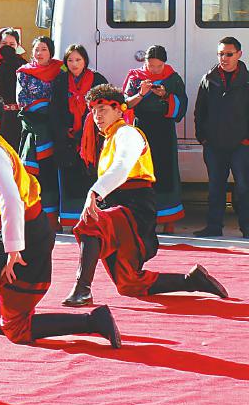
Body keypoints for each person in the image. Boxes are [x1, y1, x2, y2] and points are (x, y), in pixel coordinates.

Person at [0, 89, 121, 348]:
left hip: (27, 231)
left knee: (17, 330)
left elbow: (11, 200)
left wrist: (13, 249)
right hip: (6, 225)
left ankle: (93, 321)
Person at [62, 85, 228, 307]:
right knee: (129, 284)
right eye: (93, 111)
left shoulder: (128, 133)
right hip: (118, 208)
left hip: (135, 208)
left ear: (119, 110)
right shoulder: (109, 138)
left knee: (91, 223)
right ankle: (191, 281)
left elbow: (122, 167)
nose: (97, 116)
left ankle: (82, 289)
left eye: (102, 109)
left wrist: (94, 192)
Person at [124, 45, 187, 233]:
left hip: (164, 131)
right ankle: (142, 218)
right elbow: (125, 104)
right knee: (142, 174)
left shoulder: (173, 78)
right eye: (151, 66)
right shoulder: (135, 77)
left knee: (166, 172)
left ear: (164, 63)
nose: (155, 70)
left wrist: (166, 95)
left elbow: (182, 105)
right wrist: (141, 93)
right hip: (141, 131)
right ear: (145, 62)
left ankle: (168, 219)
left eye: (159, 66)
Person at [193, 36, 249, 238]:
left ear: (239, 54)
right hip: (214, 145)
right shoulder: (209, 79)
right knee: (215, 188)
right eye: (220, 54)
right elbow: (200, 111)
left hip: (241, 145)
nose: (224, 58)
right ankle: (214, 227)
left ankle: (247, 228)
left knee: (244, 188)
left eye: (228, 54)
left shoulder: (246, 80)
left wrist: (246, 140)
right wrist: (203, 138)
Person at [50, 45, 107, 228]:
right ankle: (69, 220)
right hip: (66, 139)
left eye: (78, 60)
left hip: (91, 138)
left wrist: (88, 130)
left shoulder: (97, 80)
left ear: (85, 61)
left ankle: (91, 220)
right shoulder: (60, 81)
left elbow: (105, 106)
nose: (74, 64)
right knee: (68, 179)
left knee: (90, 178)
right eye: (70, 60)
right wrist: (63, 129)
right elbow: (54, 109)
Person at [17, 36, 62, 227]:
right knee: (36, 174)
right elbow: (21, 99)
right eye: (36, 49)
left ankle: (52, 217)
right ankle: (35, 217)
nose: (39, 53)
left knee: (52, 174)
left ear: (51, 52)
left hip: (55, 127)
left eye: (44, 49)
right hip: (33, 126)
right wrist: (43, 106)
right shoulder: (24, 73)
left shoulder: (60, 70)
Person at [0, 28, 27, 150]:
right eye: (4, 44)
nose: (8, 47)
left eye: (12, 44)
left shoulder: (24, 65)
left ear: (17, 45)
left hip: (19, 117)